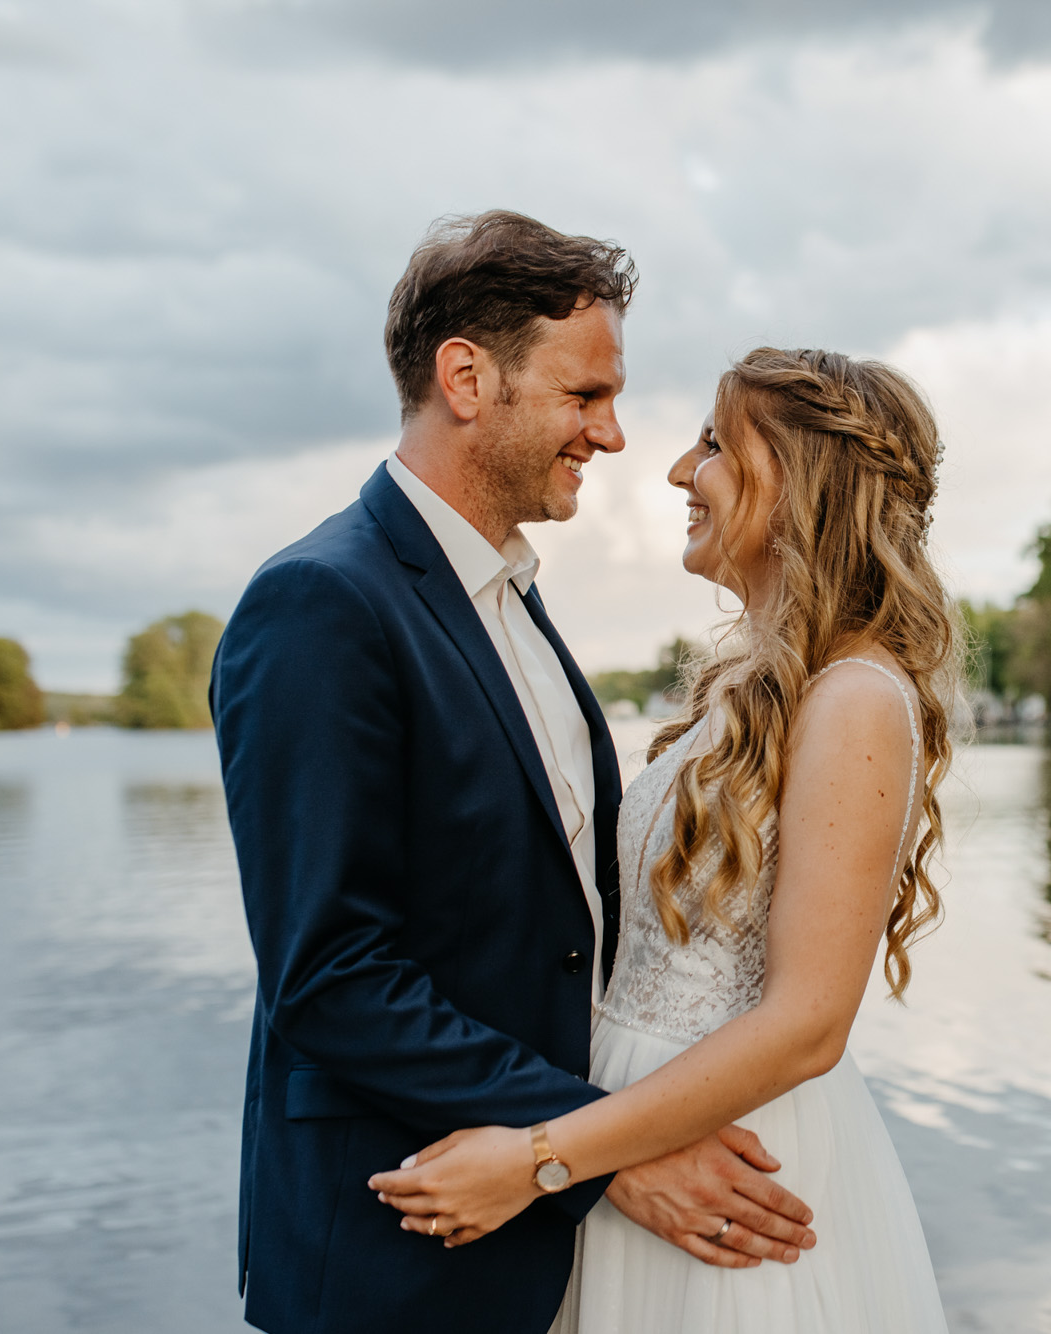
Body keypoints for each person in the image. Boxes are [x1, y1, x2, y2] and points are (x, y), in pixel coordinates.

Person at [212, 212, 817, 1334]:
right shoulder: (321, 602)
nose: (615, 435)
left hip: (538, 1238)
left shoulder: (514, 599)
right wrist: (597, 1150)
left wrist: (581, 1151)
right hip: (399, 1249)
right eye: (584, 396)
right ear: (466, 378)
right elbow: (330, 972)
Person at [367, 346, 960, 1332]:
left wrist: (537, 1156)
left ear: (805, 479)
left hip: (733, 1157)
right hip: (631, 1132)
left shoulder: (855, 698)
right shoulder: (746, 689)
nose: (682, 470)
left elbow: (808, 1021)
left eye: (716, 444)